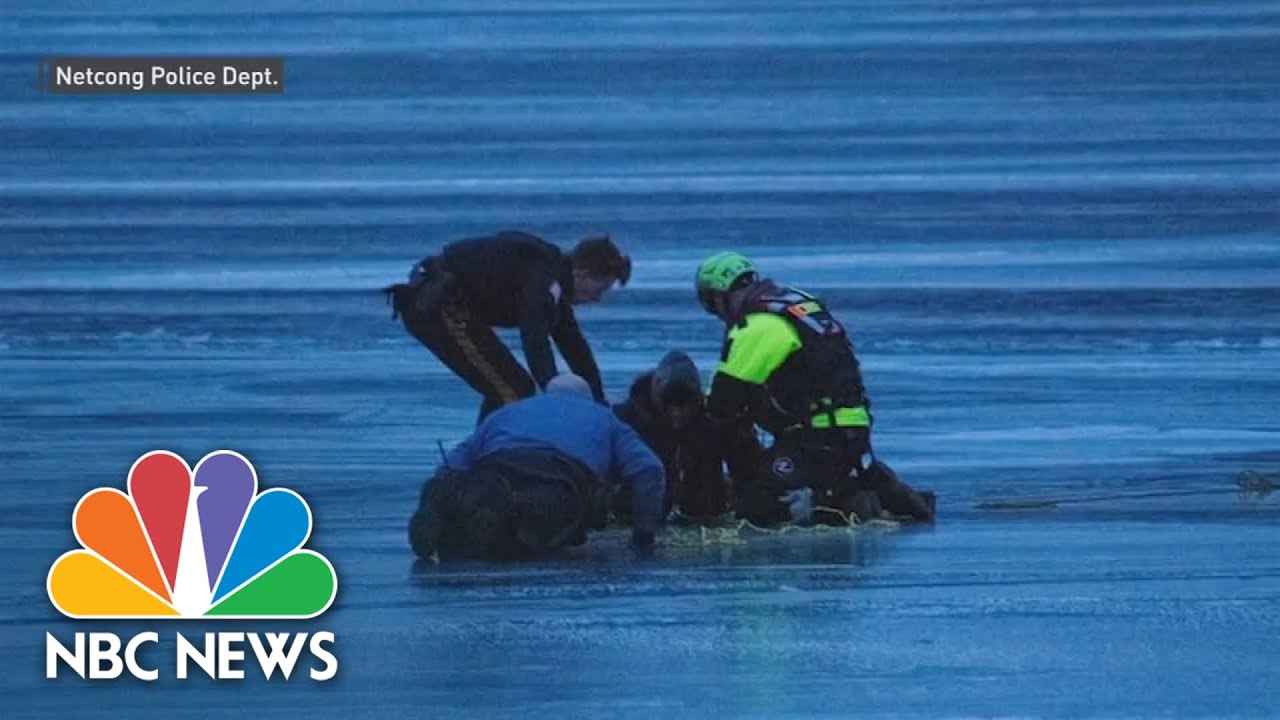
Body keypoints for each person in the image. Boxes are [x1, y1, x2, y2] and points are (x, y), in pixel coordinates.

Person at [693, 251, 936, 526]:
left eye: (710, 304)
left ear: (720, 295)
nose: (715, 314)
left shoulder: (759, 325)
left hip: (818, 436)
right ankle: (876, 490)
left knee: (757, 505)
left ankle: (836, 501)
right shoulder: (797, 304)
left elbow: (725, 400)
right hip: (849, 428)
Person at [408, 373, 665, 562]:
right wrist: (644, 534)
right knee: (537, 526)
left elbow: (452, 465)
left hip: (497, 466)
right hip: (561, 476)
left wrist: (448, 485)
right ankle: (511, 513)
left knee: (480, 496)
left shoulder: (508, 412)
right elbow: (648, 470)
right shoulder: (606, 418)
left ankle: (452, 510)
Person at [384, 230, 631, 424]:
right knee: (512, 390)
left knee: (514, 387)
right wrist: (553, 390)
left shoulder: (553, 282)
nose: (596, 299)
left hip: (450, 304)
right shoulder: (544, 280)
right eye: (598, 289)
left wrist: (598, 400)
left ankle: (487, 456)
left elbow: (573, 344)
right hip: (438, 306)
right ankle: (487, 463)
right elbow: (535, 338)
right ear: (581, 272)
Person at [612, 350, 762, 520]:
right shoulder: (626, 422)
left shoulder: (716, 423)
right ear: (657, 399)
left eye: (685, 406)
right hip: (634, 514)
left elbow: (751, 469)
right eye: (671, 406)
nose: (678, 414)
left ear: (697, 400)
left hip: (704, 515)